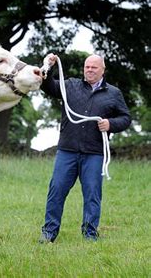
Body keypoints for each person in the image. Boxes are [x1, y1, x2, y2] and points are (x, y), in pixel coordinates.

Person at [39, 53, 131, 243]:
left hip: (94, 153)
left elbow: (125, 118)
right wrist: (49, 66)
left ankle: (90, 234)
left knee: (92, 194)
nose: (89, 70)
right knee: (56, 191)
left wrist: (110, 124)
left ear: (103, 70)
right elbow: (48, 86)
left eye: (94, 67)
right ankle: (49, 233)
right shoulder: (70, 85)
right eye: (87, 67)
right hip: (67, 150)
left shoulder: (114, 93)